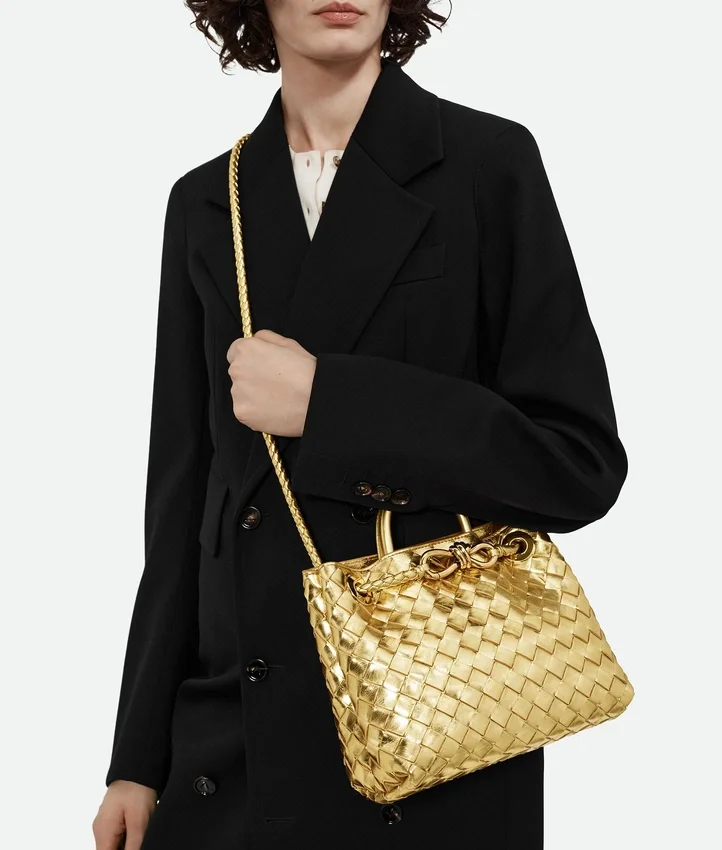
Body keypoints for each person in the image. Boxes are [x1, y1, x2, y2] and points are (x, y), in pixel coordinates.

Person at [92, 2, 629, 849]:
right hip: (236, 734)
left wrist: (331, 403)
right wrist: (136, 759)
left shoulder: (487, 163)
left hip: (441, 724)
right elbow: (183, 505)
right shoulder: (208, 200)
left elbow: (576, 462)